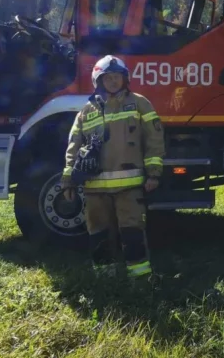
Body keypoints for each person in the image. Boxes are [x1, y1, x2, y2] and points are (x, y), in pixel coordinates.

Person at [61, 55, 164, 278]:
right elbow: (73, 146)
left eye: (117, 77)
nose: (113, 82)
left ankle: (140, 279)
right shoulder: (85, 112)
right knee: (98, 234)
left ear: (125, 79)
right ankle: (105, 278)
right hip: (94, 189)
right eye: (108, 78)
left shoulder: (139, 103)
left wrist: (154, 174)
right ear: (98, 81)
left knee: (132, 233)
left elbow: (154, 139)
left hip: (129, 187)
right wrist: (67, 181)